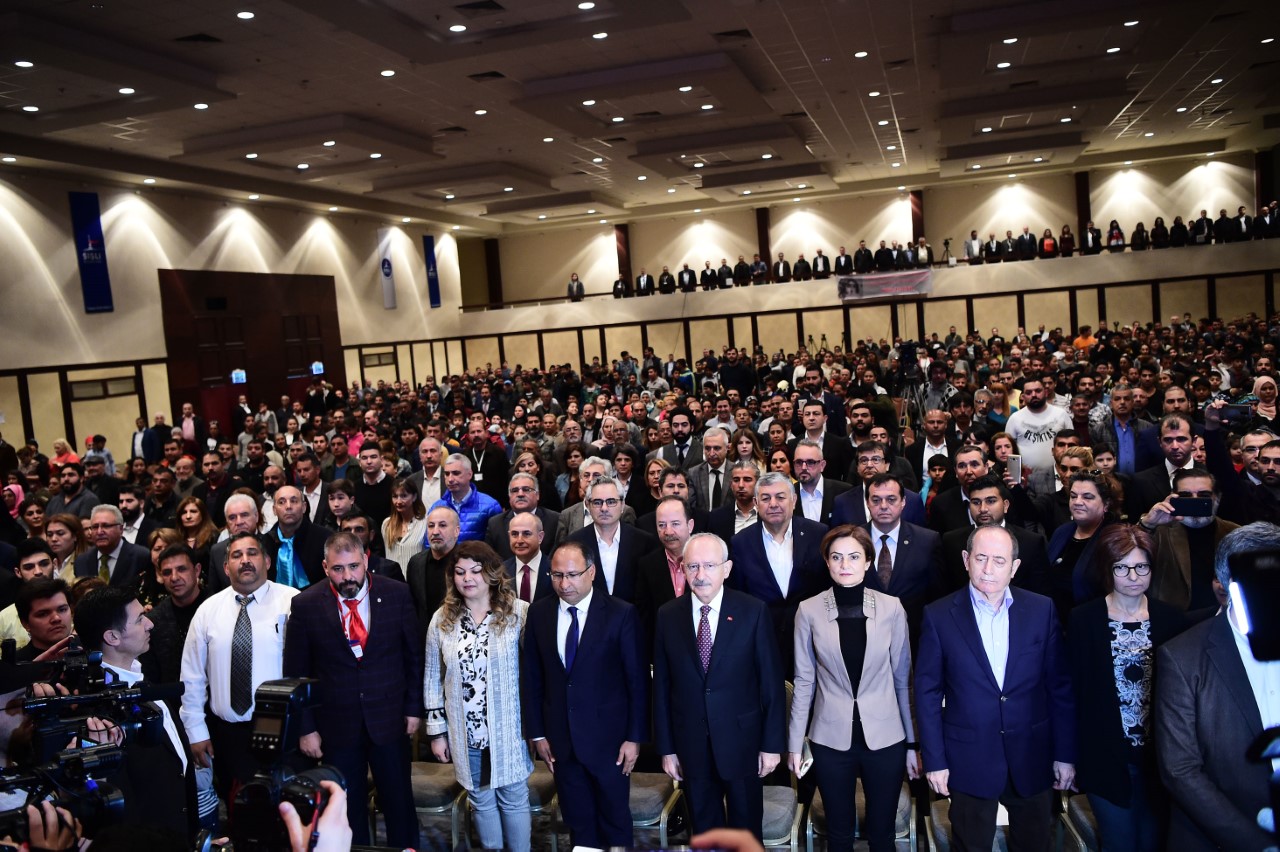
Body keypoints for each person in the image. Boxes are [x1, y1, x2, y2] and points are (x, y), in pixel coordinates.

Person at [915, 525, 1076, 852]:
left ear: (1014, 567)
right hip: (968, 758)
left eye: (999, 561)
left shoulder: (1041, 610)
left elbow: (1059, 688)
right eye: (981, 558)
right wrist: (934, 760)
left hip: (1032, 755)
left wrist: (1065, 755)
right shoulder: (938, 615)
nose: (988, 569)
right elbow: (927, 694)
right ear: (966, 560)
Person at [282, 531, 423, 848]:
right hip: (336, 726)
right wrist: (306, 728)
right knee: (346, 808)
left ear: (366, 560)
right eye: (338, 569)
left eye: (354, 566)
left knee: (399, 803)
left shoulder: (397, 593)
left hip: (389, 720)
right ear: (325, 567)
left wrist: (414, 709)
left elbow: (413, 657)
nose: (347, 576)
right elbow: (296, 673)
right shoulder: (305, 604)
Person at [789, 525, 918, 852]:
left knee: (883, 835)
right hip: (830, 738)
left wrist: (913, 743)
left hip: (886, 737)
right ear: (827, 562)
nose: (844, 564)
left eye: (854, 557)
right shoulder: (808, 610)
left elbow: (903, 679)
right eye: (836, 557)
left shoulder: (892, 608)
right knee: (838, 835)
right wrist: (794, 743)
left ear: (868, 561)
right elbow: (804, 681)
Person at [1155, 522, 1280, 851]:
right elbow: (1180, 770)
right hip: (1221, 839)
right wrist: (1257, 845)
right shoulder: (1182, 657)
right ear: (1229, 586)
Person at [653, 532, 784, 838]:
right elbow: (661, 688)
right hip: (691, 746)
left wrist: (771, 745)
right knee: (704, 833)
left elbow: (772, 685)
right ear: (683, 569)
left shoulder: (753, 611)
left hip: (743, 744)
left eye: (709, 566)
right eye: (692, 566)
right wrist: (667, 749)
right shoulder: (667, 615)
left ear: (726, 569)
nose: (700, 575)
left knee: (746, 834)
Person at [1068, 525, 1187, 852]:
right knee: (1119, 843)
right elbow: (1074, 693)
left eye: (1141, 567)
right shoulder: (1084, 620)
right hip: (1105, 756)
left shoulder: (1172, 620)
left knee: (1154, 843)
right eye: (1122, 567)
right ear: (1107, 569)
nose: (1133, 576)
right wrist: (1068, 757)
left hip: (1159, 760)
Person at [521, 541, 648, 848]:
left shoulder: (621, 613)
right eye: (556, 575)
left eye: (572, 574)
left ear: (591, 572)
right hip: (561, 742)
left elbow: (637, 682)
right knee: (578, 824)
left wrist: (634, 738)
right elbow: (532, 678)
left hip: (611, 743)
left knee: (614, 822)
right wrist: (537, 733)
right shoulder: (539, 613)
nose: (564, 583)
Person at [425, 541, 532, 851]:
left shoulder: (519, 612)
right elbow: (432, 677)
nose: (467, 578)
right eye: (460, 572)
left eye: (475, 571)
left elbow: (536, 673)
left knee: (513, 797)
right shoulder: (442, 619)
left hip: (508, 728)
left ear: (492, 573)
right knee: (480, 798)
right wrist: (436, 732)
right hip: (465, 730)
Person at [181, 532, 300, 796]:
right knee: (239, 810)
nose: (245, 560)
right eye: (237, 555)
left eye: (252, 553)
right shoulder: (208, 610)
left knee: (287, 810)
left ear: (267, 561)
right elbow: (192, 676)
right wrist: (196, 731)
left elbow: (310, 668)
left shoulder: (293, 601)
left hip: (284, 731)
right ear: (226, 567)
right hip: (228, 737)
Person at [73, 585, 197, 839]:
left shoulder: (138, 677)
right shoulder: (95, 709)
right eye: (140, 619)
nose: (150, 624)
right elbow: (117, 799)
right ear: (112, 637)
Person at [728, 471, 828, 677]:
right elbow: (738, 595)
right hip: (763, 639)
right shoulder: (741, 542)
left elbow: (825, 587)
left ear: (794, 500)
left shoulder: (818, 534)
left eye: (780, 497)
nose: (773, 504)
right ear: (756, 503)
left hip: (812, 637)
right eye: (766, 498)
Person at [1046, 471, 1121, 626]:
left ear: (1106, 504)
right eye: (1073, 496)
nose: (1077, 502)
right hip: (1056, 623)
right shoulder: (1062, 532)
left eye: (1087, 497)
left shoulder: (1115, 538)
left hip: (1094, 624)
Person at [568, 475, 657, 601]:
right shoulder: (574, 544)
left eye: (611, 502)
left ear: (622, 505)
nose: (604, 508)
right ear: (588, 505)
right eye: (597, 502)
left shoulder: (644, 542)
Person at [143, 543, 213, 684]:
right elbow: (152, 678)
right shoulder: (153, 622)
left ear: (197, 570)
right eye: (167, 572)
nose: (174, 577)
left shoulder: (219, 609)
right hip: (171, 696)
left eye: (181, 569)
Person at [406, 505, 461, 627]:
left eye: (442, 525)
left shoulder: (467, 563)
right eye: (431, 526)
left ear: (456, 531)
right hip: (423, 634)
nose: (435, 532)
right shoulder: (416, 563)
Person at [430, 453, 503, 543]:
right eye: (447, 474)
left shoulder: (490, 506)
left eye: (456, 473)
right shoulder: (436, 507)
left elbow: (498, 543)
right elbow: (428, 543)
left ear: (469, 474)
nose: (450, 479)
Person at [74, 505, 150, 588]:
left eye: (106, 526)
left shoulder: (141, 556)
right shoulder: (81, 561)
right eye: (95, 527)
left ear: (121, 529)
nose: (99, 532)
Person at [14, 576, 73, 662]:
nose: (56, 618)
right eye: (43, 614)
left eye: (62, 610)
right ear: (25, 623)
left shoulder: (89, 650)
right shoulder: (14, 665)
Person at [381, 477, 427, 569]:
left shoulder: (425, 523)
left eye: (404, 496)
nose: (398, 501)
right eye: (395, 496)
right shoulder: (386, 524)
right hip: (392, 577)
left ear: (414, 497)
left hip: (415, 576)